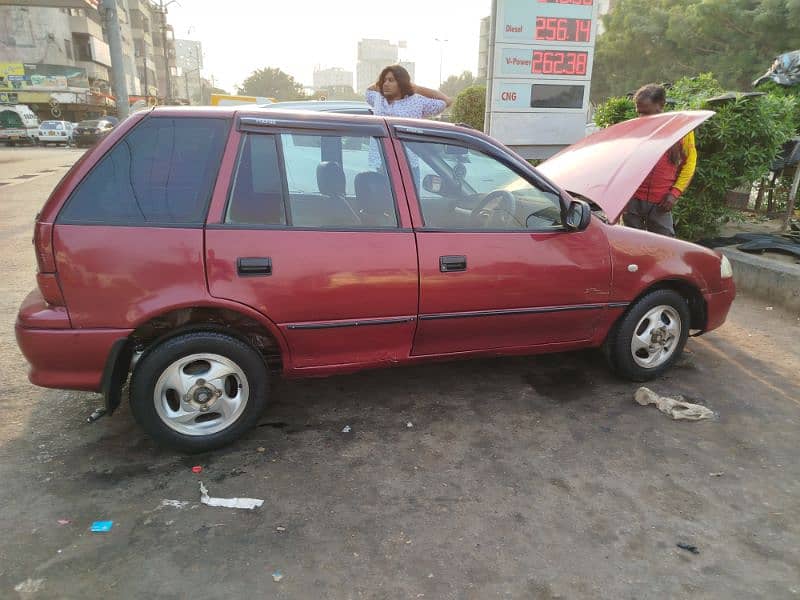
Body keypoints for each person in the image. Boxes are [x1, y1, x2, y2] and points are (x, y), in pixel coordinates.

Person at [623, 84, 697, 237]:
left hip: (661, 202)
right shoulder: (634, 129)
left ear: (661, 105)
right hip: (631, 200)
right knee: (630, 245)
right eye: (639, 113)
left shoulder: (681, 131)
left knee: (665, 247)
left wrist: (674, 194)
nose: (642, 118)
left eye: (647, 113)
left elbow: (689, 164)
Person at [366, 65, 451, 178]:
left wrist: (416, 88)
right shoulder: (378, 99)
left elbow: (447, 101)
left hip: (407, 167)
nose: (385, 84)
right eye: (384, 80)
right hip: (381, 164)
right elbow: (369, 90)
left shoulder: (417, 102)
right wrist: (382, 81)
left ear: (401, 83)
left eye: (391, 80)